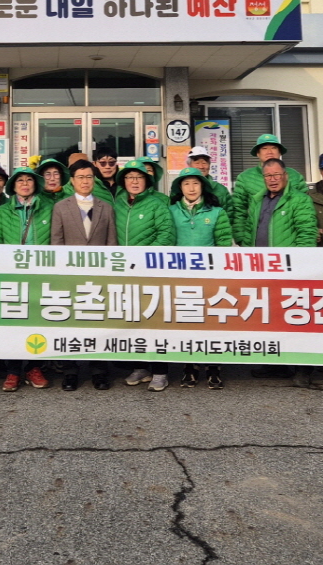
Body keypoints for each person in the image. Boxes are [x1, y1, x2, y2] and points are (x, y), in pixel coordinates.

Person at [49, 160, 119, 391]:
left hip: (98, 276)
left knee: (98, 322)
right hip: (70, 275)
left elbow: (111, 244)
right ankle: (70, 371)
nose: (85, 181)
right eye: (80, 177)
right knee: (70, 322)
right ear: (72, 180)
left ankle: (99, 370)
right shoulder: (61, 207)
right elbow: (56, 243)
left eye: (89, 177)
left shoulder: (105, 207)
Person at [113, 158, 178, 390]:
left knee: (154, 320)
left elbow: (167, 236)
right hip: (125, 272)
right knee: (132, 320)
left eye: (139, 177)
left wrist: (143, 258)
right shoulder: (118, 204)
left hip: (151, 271)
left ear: (147, 181)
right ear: (124, 181)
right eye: (130, 177)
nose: (134, 181)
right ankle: (140, 367)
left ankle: (160, 371)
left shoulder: (156, 204)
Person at [0, 167, 51, 391]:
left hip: (42, 274)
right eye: (20, 180)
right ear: (13, 186)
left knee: (39, 320)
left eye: (29, 180)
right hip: (11, 275)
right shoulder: (1, 212)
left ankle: (34, 367)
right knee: (13, 322)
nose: (24, 183)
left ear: (35, 184)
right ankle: (13, 371)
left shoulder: (49, 209)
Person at [167, 166, 233, 389]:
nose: (191, 188)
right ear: (180, 188)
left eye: (195, 183)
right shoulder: (171, 211)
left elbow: (224, 244)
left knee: (212, 322)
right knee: (186, 322)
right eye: (186, 184)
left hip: (210, 277)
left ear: (203, 186)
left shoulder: (216, 212)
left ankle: (214, 368)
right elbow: (167, 241)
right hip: (181, 276)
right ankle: (189, 367)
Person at [225, 134, 305, 236]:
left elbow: (306, 208)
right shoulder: (245, 178)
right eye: (264, 148)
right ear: (258, 153)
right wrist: (241, 236)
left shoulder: (295, 176)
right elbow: (239, 210)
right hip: (257, 236)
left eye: (274, 148)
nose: (269, 152)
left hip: (290, 236)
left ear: (280, 152)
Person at [231, 157, 318, 248]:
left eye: (277, 175)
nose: (272, 179)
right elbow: (249, 234)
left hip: (287, 256)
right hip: (259, 256)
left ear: (286, 176)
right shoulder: (256, 200)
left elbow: (307, 234)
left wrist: (298, 256)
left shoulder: (300, 199)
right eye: (268, 175)